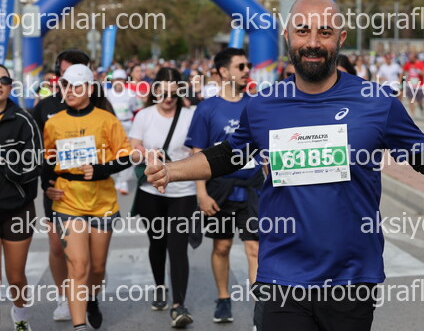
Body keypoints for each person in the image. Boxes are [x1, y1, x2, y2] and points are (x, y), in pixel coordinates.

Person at [145, 0, 424, 331]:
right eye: (302, 31)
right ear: (287, 37)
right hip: (282, 277)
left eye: (324, 32)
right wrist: (170, 170)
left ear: (341, 38)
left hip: (350, 278)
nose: (312, 42)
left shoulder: (376, 102)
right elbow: (228, 155)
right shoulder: (263, 106)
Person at [43, 65, 136, 331]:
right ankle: (79, 325)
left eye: (76, 86)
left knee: (96, 268)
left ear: (89, 89)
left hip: (102, 202)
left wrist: (100, 169)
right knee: (78, 265)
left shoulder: (107, 120)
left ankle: (92, 297)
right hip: (68, 202)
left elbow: (126, 156)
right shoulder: (54, 122)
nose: (70, 92)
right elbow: (47, 160)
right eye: (66, 86)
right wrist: (48, 186)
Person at [185, 47, 263, 324]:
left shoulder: (257, 104)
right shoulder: (207, 108)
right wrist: (201, 193)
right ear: (222, 72)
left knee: (255, 249)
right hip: (220, 189)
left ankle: (260, 310)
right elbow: (197, 154)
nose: (246, 71)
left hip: (253, 187)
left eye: (248, 65)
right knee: (222, 247)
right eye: (240, 66)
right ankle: (223, 297)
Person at [129, 67, 196, 328]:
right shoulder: (144, 116)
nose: (168, 98)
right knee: (157, 243)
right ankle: (159, 286)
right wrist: (147, 154)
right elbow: (133, 150)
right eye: (163, 92)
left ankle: (179, 305)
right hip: (151, 191)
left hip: (183, 191)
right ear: (155, 91)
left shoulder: (191, 116)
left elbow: (199, 151)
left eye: (173, 93)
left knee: (177, 247)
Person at [32, 50, 94, 323]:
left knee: (90, 254)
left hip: (93, 191)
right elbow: (36, 149)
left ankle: (88, 296)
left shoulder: (100, 104)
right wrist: (46, 182)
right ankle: (63, 297)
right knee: (58, 247)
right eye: (65, 73)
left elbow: (115, 146)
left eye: (78, 73)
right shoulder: (45, 106)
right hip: (56, 189)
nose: (71, 79)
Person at [0, 65, 43, 331]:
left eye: (3, 79)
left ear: (10, 85)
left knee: (15, 277)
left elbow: (35, 164)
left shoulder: (23, 120)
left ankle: (21, 315)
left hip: (17, 209)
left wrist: (8, 165)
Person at [105, 69, 141, 195]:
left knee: (127, 152)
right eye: (116, 80)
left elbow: (136, 111)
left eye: (121, 79)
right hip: (112, 126)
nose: (118, 82)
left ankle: (123, 180)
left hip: (127, 125)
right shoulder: (107, 94)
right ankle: (118, 178)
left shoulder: (131, 94)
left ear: (124, 81)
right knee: (114, 153)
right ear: (112, 81)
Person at [403, 52, 424, 117]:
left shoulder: (421, 63)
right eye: (409, 58)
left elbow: (423, 73)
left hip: (419, 85)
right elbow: (403, 71)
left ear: (415, 57)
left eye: (411, 58)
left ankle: (421, 108)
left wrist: (417, 70)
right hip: (410, 85)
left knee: (419, 101)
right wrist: (401, 80)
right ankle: (412, 115)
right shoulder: (408, 64)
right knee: (411, 100)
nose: (409, 59)